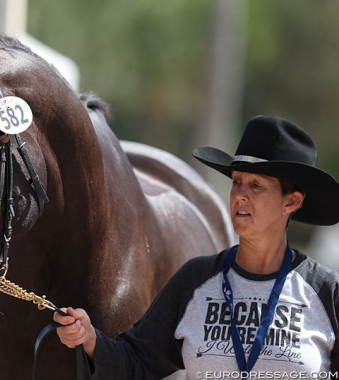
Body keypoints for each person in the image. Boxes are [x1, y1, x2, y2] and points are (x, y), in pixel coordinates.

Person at [54, 115, 339, 379]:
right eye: (237, 182)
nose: (240, 195)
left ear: (291, 202)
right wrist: (90, 339)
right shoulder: (195, 280)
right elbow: (136, 360)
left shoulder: (327, 292)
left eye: (256, 186)